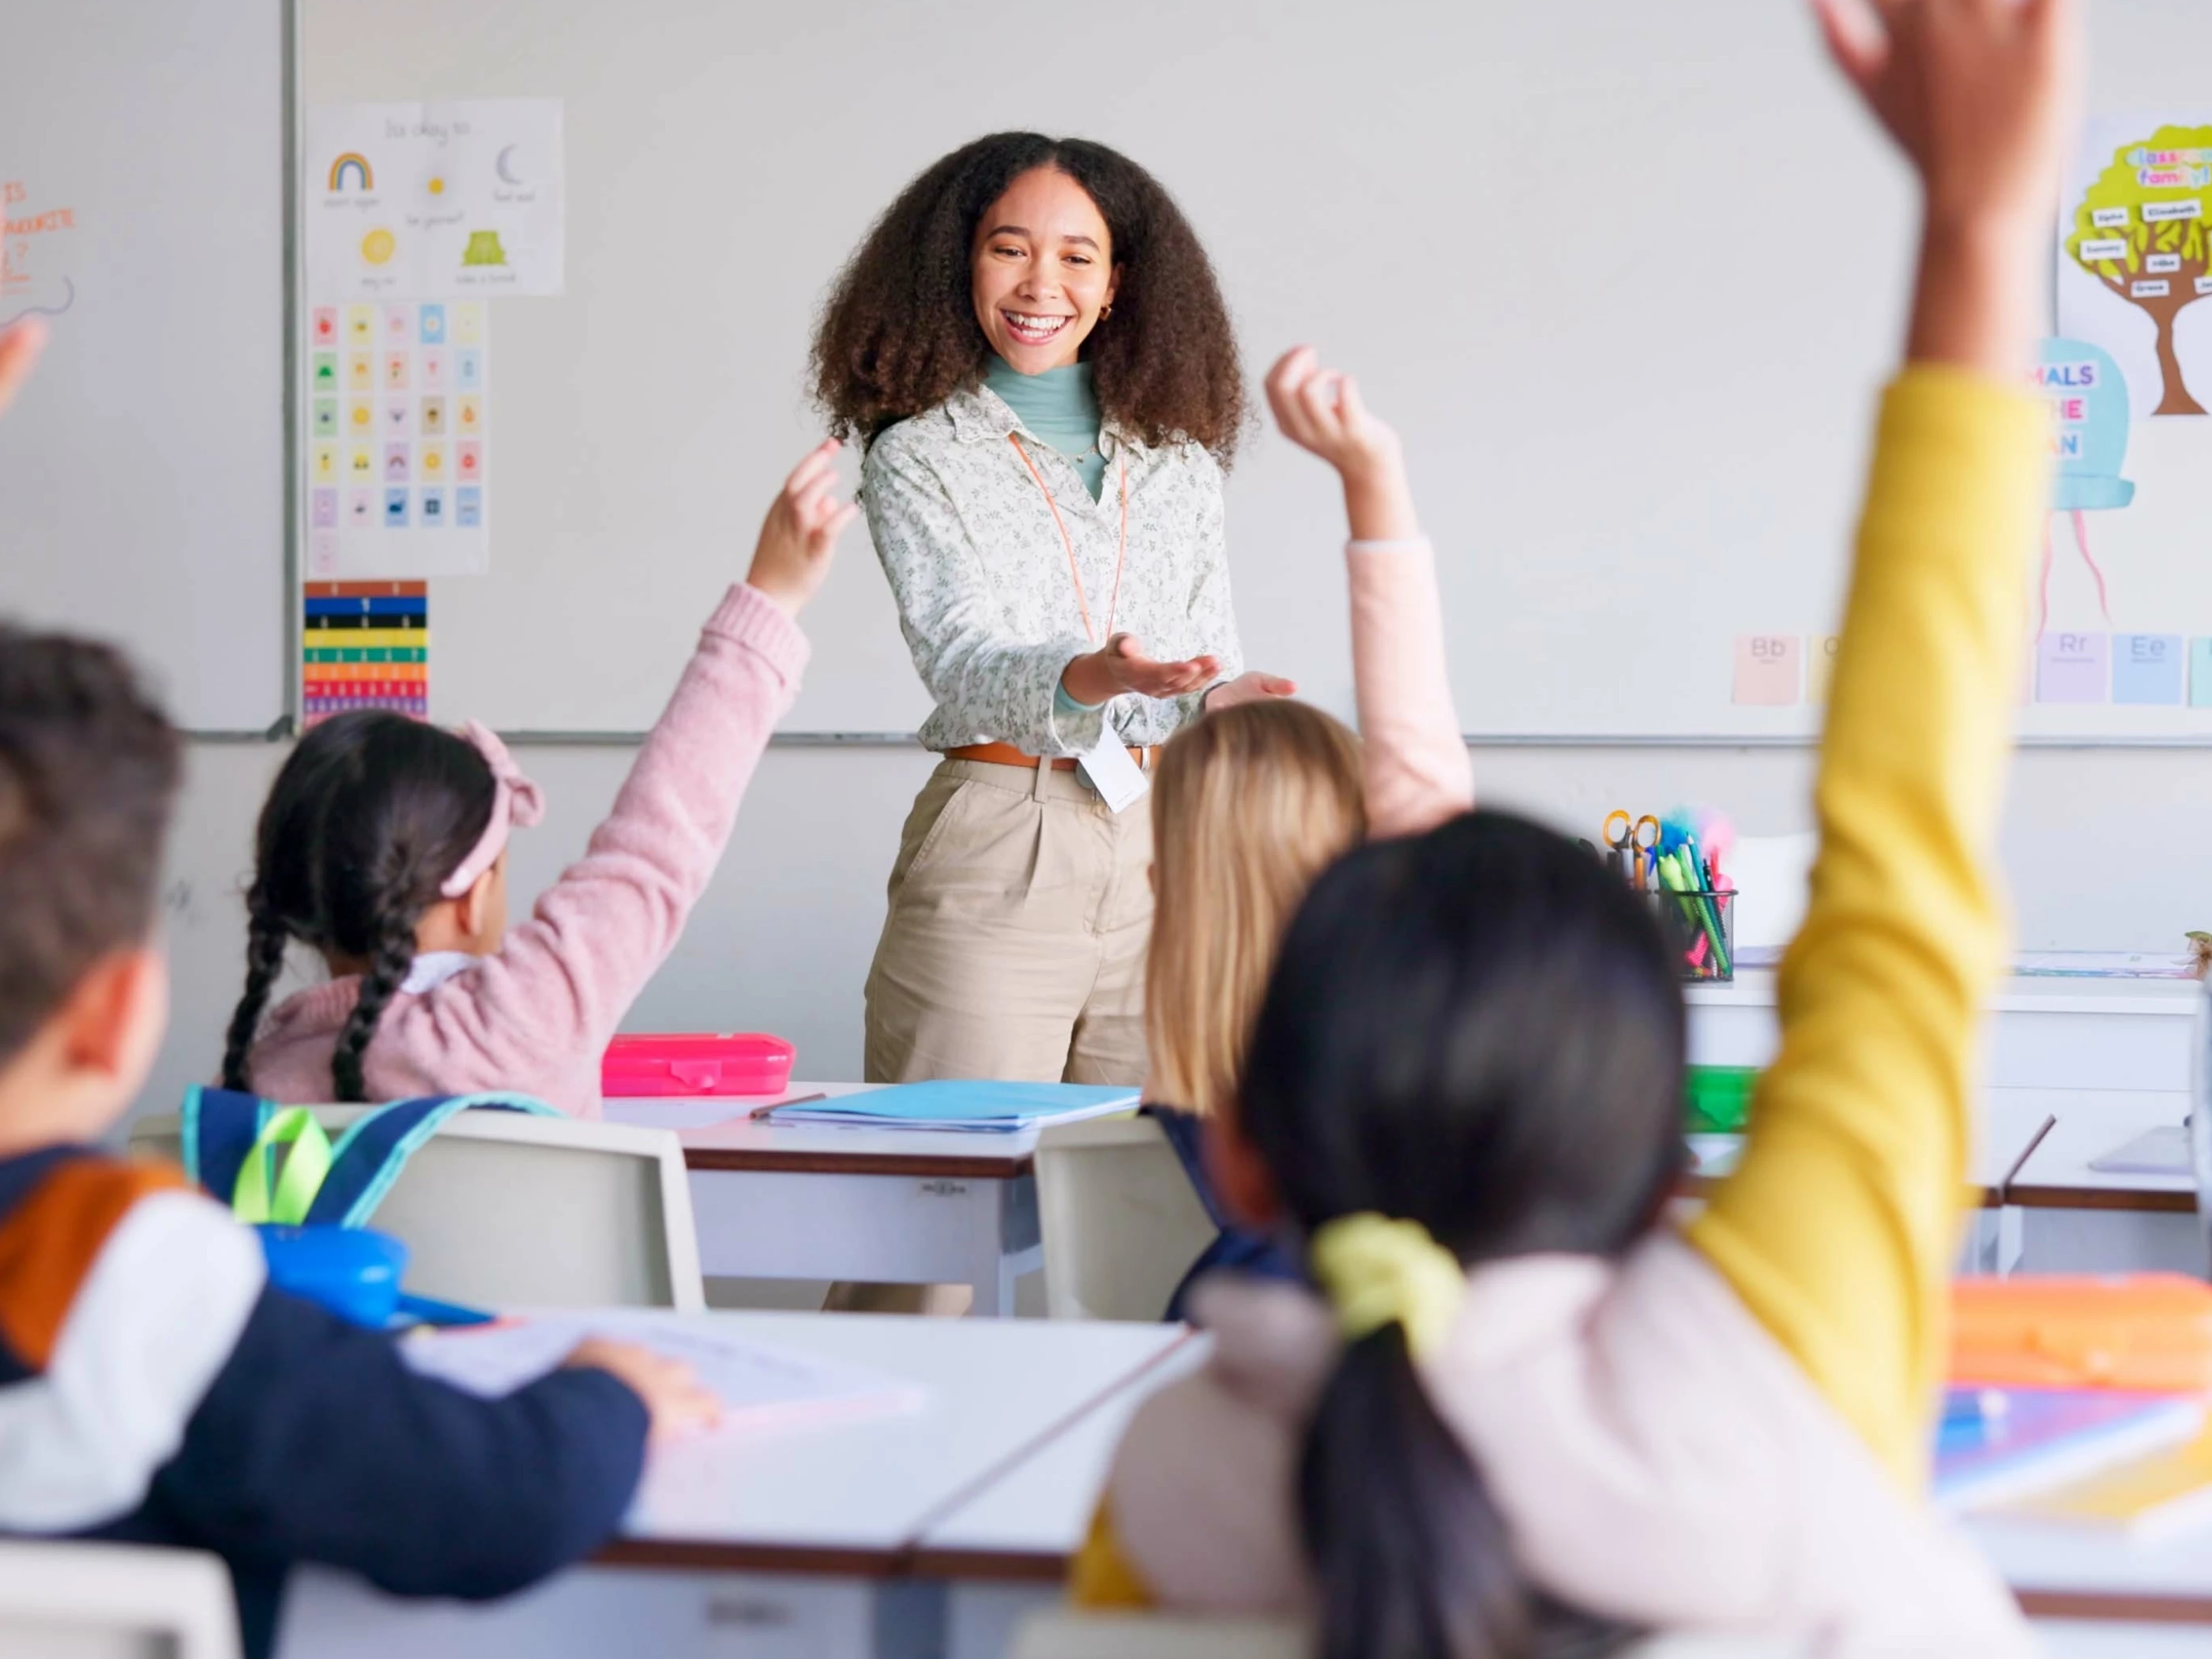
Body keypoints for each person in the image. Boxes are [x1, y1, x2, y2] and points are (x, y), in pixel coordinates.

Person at [1074, 0, 2074, 1652]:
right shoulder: (1779, 1362)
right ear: (1665, 1159)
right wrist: (1978, 226)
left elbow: (1898, 894)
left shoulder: (1171, 1489)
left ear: (1240, 1146)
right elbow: (1905, 851)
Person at [0, 625, 719, 1659]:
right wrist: (609, 1395)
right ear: (116, 1013)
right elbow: (489, 1505)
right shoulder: (126, 1269)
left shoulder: (224, 1138)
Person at [811, 132, 1292, 1090]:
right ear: (962, 265)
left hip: (1166, 844)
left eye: (1077, 257)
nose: (1042, 284)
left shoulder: (1180, 466)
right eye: (1009, 248)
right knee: (954, 1183)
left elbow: (1204, 659)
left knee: (1157, 1183)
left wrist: (1224, 697)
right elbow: (961, 659)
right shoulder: (917, 456)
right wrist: (1094, 674)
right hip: (1002, 837)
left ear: (1115, 284)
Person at [227, 443, 855, 1112]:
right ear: (471, 895)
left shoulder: (253, 1081)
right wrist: (773, 595)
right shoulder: (521, 1022)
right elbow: (656, 843)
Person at [1142, 345, 1473, 1318]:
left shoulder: (1184, 1079)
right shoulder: (1395, 1016)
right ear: (1355, 840)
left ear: (1169, 876)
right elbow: (1414, 744)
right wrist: (1373, 480)